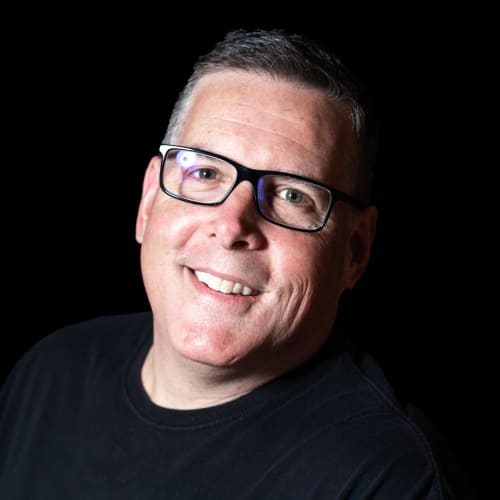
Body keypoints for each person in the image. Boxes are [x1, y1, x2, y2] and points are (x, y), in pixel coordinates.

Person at [0, 28, 471, 499]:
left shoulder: (390, 480)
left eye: (292, 195)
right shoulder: (50, 373)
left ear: (355, 251)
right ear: (148, 201)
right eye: (205, 172)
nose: (232, 226)